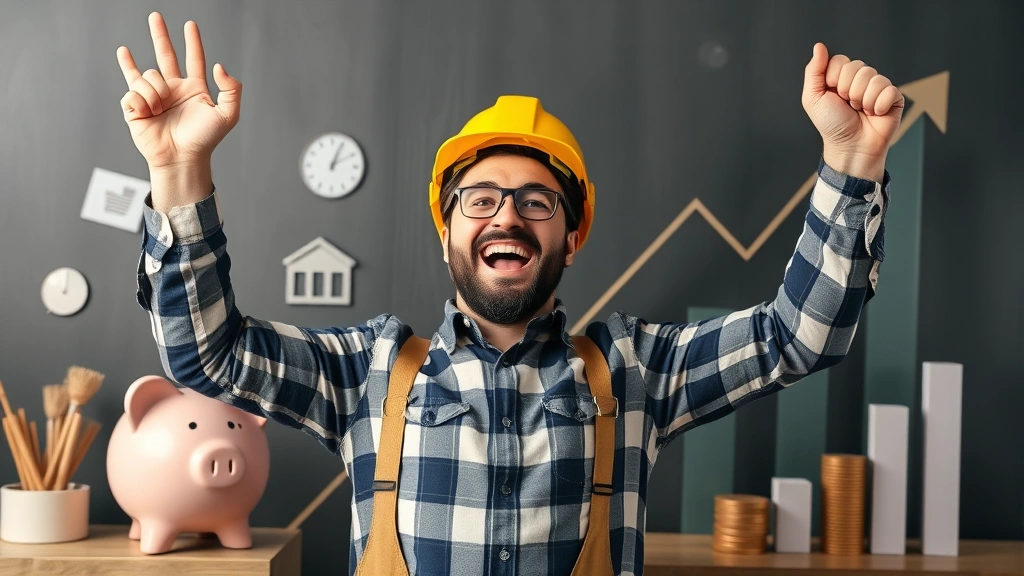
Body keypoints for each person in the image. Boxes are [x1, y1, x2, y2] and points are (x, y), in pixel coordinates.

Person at [119, 11, 901, 576]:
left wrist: (850, 163)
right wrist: (178, 173)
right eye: (481, 199)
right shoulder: (364, 373)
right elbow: (207, 356)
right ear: (448, 227)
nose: (509, 216)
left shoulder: (635, 372)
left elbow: (799, 337)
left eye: (537, 201)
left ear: (573, 233)